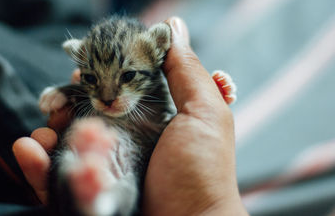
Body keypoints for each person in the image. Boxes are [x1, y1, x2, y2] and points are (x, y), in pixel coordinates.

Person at [13, 17, 249, 216]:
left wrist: (208, 94)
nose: (107, 97)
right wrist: (68, 91)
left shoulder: (156, 103)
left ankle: (99, 200)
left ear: (157, 48)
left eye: (127, 76)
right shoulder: (92, 96)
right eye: (92, 79)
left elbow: (172, 126)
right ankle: (91, 194)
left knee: (124, 180)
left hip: (126, 167)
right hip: (89, 156)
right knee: (68, 161)